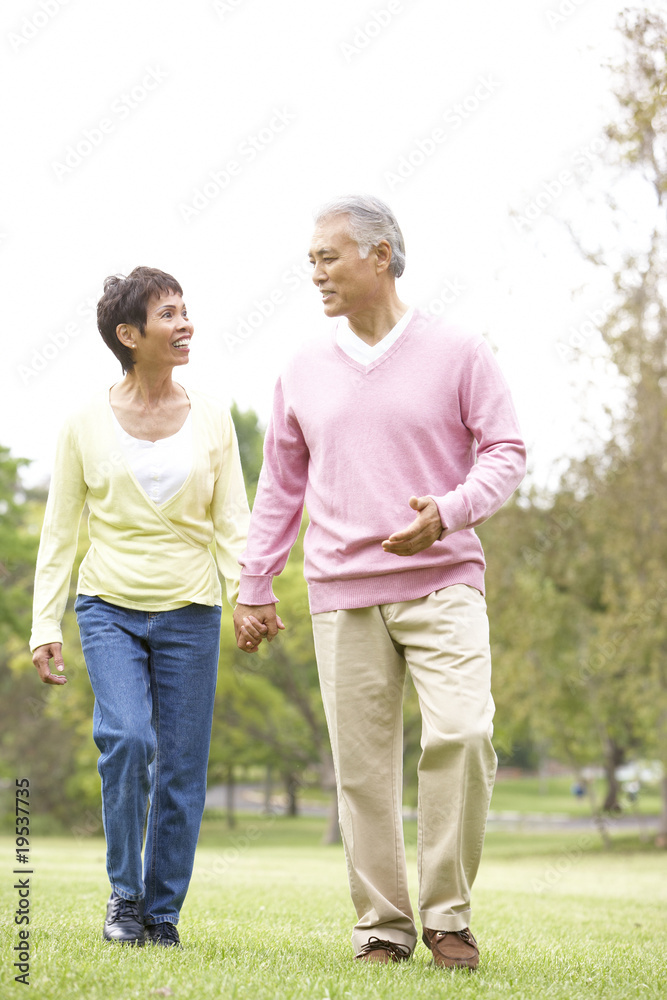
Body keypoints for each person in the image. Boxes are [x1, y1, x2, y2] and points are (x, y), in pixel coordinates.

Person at [233, 196, 526, 970]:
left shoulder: (459, 349)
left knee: (463, 733)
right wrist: (255, 582)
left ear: (381, 256)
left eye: (329, 257)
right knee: (361, 770)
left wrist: (451, 511)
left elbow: (504, 449)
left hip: (442, 580)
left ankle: (447, 914)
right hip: (340, 591)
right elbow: (279, 486)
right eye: (311, 260)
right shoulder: (300, 368)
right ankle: (383, 927)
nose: (315, 271)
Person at [30, 267, 249, 948]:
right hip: (109, 608)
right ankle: (125, 896)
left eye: (186, 311)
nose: (185, 325)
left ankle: (161, 914)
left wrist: (248, 599)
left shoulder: (213, 418)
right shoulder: (84, 424)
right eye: (168, 315)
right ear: (129, 335)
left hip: (191, 609)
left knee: (182, 769)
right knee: (127, 740)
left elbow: (233, 523)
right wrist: (45, 623)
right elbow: (61, 531)